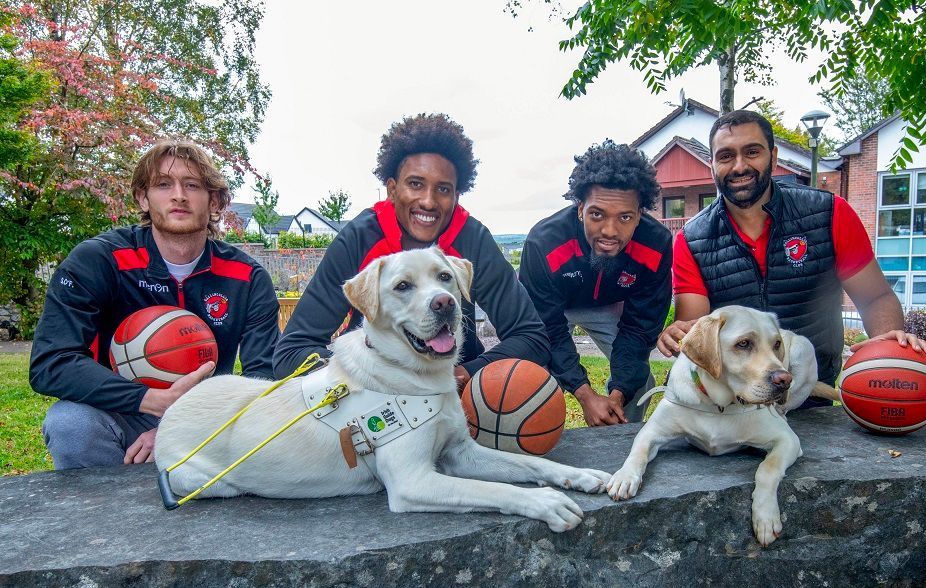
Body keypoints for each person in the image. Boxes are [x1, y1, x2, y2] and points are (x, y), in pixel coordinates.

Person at [29, 140, 280, 469]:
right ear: (142, 198)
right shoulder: (99, 260)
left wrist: (185, 425)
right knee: (69, 423)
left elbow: (262, 378)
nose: (179, 195)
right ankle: (104, 513)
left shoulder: (246, 277)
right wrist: (150, 400)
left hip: (209, 417)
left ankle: (210, 505)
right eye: (163, 184)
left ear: (215, 201)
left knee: (266, 428)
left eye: (192, 185)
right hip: (123, 412)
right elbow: (52, 361)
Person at [658, 110, 926, 401]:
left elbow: (875, 298)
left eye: (752, 152)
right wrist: (679, 333)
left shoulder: (829, 213)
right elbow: (696, 327)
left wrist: (885, 349)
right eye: (725, 156)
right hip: (737, 397)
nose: (739, 166)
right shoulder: (691, 238)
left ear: (773, 157)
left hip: (811, 388)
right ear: (711, 164)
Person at [272, 113, 549, 387]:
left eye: (443, 189)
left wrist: (466, 374)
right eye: (415, 184)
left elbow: (531, 338)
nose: (428, 201)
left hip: (455, 379)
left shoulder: (472, 240)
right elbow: (291, 352)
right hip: (374, 386)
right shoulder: (360, 238)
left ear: (456, 196)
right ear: (392, 189)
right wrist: (372, 378)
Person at [519, 140, 672, 426]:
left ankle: (621, 436)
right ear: (580, 209)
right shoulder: (544, 242)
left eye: (625, 217)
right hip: (553, 308)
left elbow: (640, 329)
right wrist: (585, 395)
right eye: (597, 214)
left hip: (608, 305)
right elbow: (546, 327)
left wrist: (617, 395)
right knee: (531, 380)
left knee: (640, 382)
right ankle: (545, 444)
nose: (609, 231)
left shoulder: (656, 244)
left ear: (640, 215)